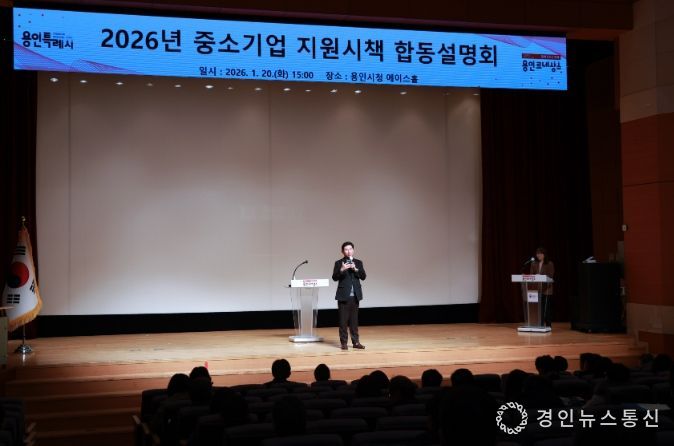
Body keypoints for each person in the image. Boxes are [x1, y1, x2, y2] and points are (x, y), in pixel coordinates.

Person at [332, 241, 366, 350]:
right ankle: (344, 343)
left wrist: (356, 269)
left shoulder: (358, 262)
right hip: (343, 296)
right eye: (346, 249)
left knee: (354, 322)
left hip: (355, 296)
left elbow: (363, 276)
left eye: (350, 249)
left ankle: (356, 342)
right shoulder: (339, 263)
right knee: (343, 322)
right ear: (342, 251)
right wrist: (342, 269)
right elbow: (334, 277)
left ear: (353, 250)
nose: (348, 251)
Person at [530, 247, 554, 327]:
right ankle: (540, 324)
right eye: (537, 254)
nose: (538, 255)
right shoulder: (533, 264)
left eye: (540, 253)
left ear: (544, 255)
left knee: (547, 309)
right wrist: (535, 276)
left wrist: (541, 276)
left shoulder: (549, 263)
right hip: (538, 289)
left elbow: (551, 276)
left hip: (547, 289)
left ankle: (548, 325)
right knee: (539, 308)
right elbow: (531, 275)